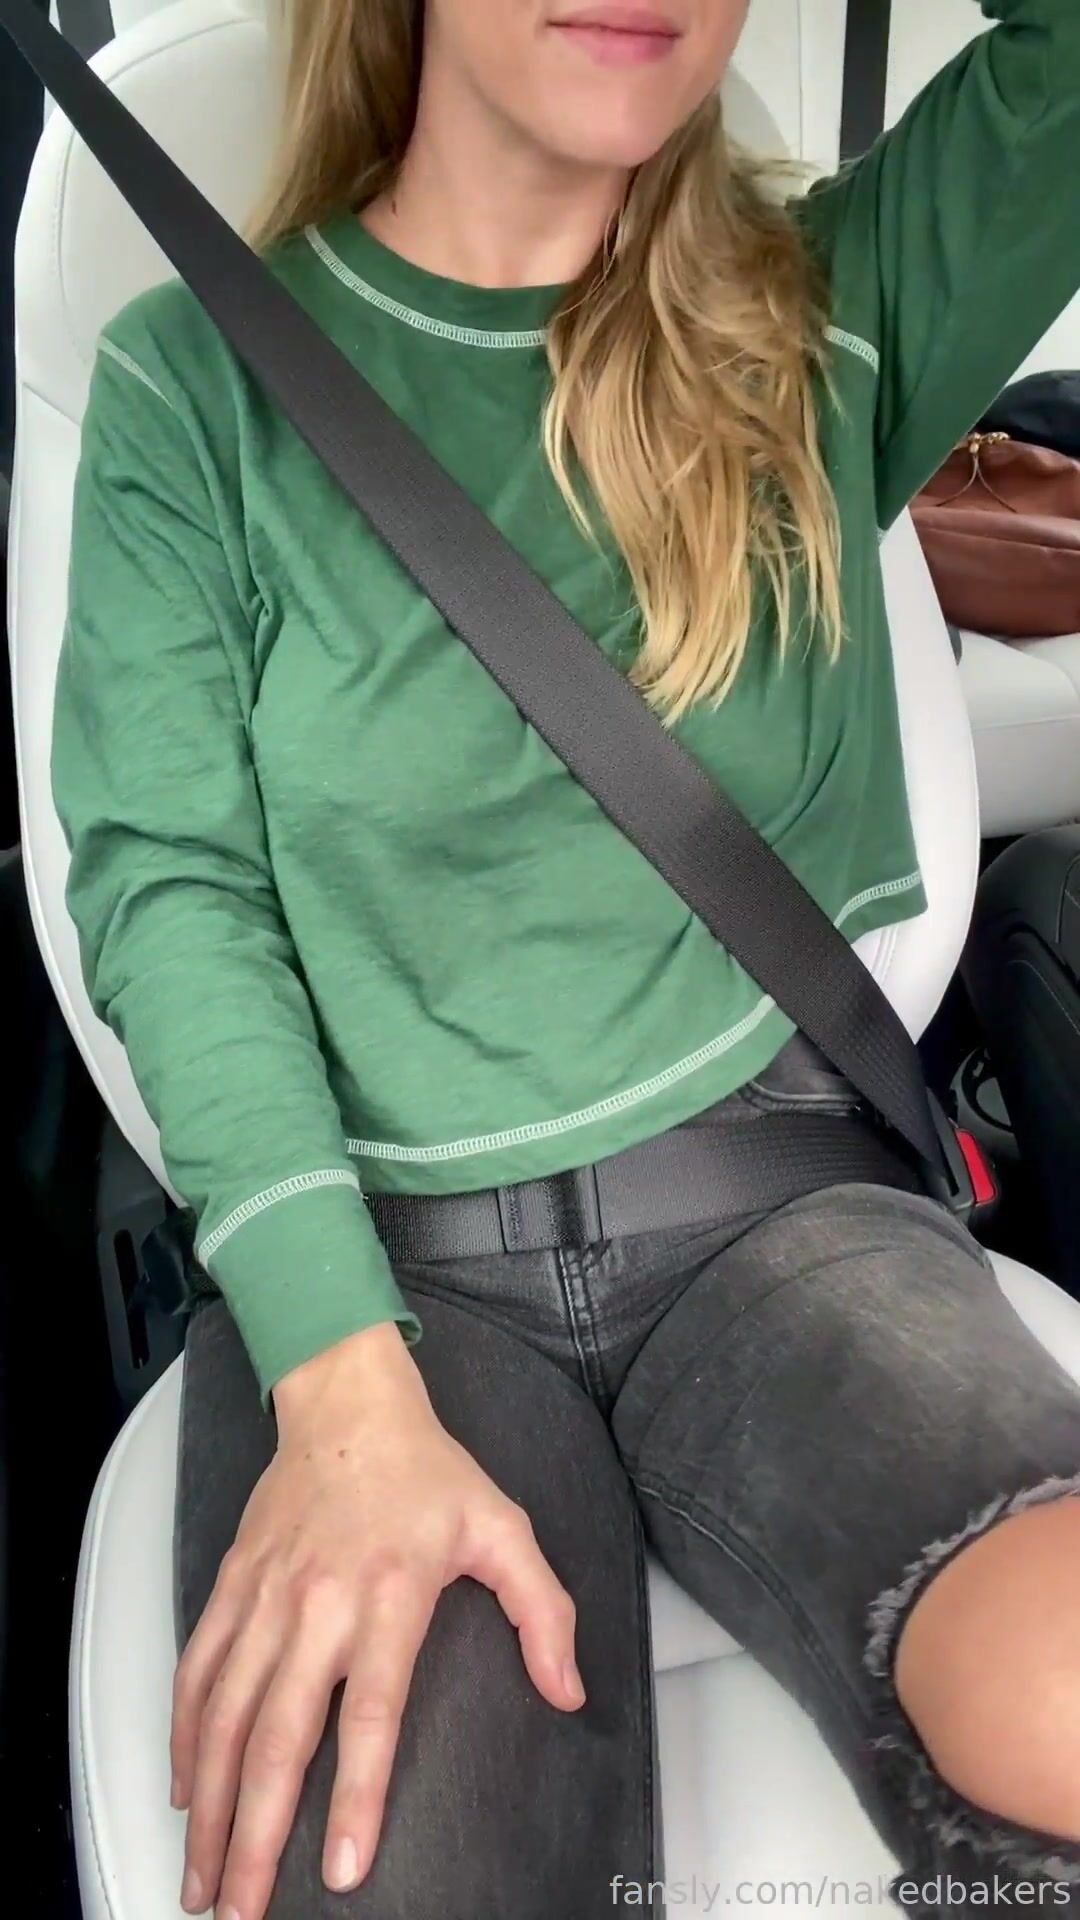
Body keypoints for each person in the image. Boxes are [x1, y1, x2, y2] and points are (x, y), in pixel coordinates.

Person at [53, 2, 1080, 1916]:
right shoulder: (193, 387)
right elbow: (173, 887)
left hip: (784, 1217)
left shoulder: (833, 313)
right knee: (385, 1840)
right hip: (383, 1272)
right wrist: (335, 1382)